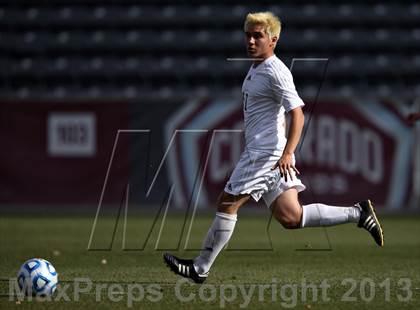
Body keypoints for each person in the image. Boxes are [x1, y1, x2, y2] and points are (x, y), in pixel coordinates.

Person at [163, 11, 384, 284]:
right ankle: (358, 213)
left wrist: (288, 152)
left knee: (227, 203)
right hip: (267, 152)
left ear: (274, 39)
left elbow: (298, 113)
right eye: (248, 35)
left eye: (258, 36)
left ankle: (200, 268)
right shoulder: (256, 67)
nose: (251, 41)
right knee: (292, 216)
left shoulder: (275, 70)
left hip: (265, 154)